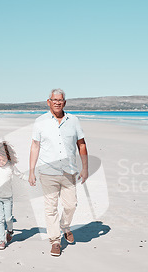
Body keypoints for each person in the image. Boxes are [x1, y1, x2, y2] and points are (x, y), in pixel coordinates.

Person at [28, 88, 88, 257]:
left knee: (71, 205)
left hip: (69, 171)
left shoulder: (73, 121)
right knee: (50, 207)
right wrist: (31, 171)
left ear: (64, 102)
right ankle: (55, 240)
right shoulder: (40, 121)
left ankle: (65, 226)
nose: (57, 102)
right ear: (49, 102)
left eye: (60, 100)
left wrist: (85, 168)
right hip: (47, 171)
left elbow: (81, 144)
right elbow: (35, 146)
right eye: (54, 100)